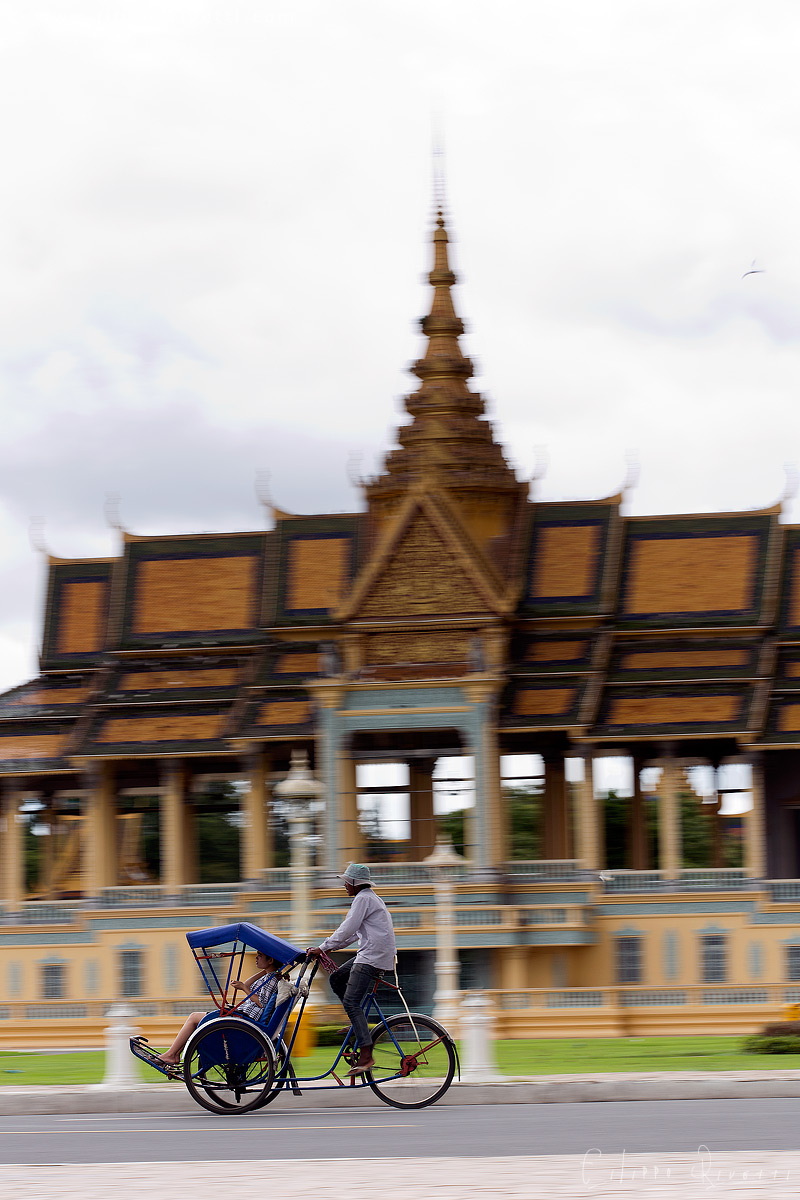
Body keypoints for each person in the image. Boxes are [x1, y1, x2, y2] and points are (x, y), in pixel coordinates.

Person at [307, 862, 396, 1075]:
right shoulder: (370, 898)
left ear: (356, 883)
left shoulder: (363, 898)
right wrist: (327, 949)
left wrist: (322, 947)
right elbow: (354, 934)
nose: (345, 886)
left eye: (347, 882)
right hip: (373, 953)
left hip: (371, 956)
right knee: (337, 978)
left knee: (351, 1001)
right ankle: (358, 1026)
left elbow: (347, 928)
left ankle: (366, 1055)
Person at [158, 948, 279, 1065]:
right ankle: (174, 1054)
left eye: (260, 955)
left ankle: (172, 1055)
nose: (256, 957)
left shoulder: (271, 979)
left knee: (194, 1017)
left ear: (270, 960)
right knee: (196, 1019)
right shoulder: (268, 977)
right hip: (244, 1016)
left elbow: (261, 1003)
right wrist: (264, 970)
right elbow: (247, 984)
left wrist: (244, 988)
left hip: (246, 1018)